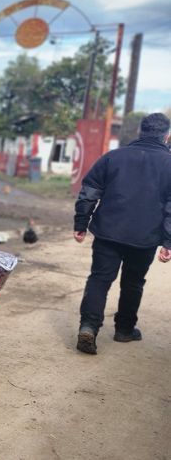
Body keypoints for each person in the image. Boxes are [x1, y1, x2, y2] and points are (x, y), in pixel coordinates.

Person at [73, 112, 171, 355]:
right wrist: (168, 240)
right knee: (133, 282)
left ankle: (88, 326)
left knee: (99, 278)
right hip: (145, 238)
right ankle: (125, 330)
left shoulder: (112, 157)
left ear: (140, 132)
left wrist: (81, 223)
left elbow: (89, 192)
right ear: (167, 136)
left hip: (108, 232)